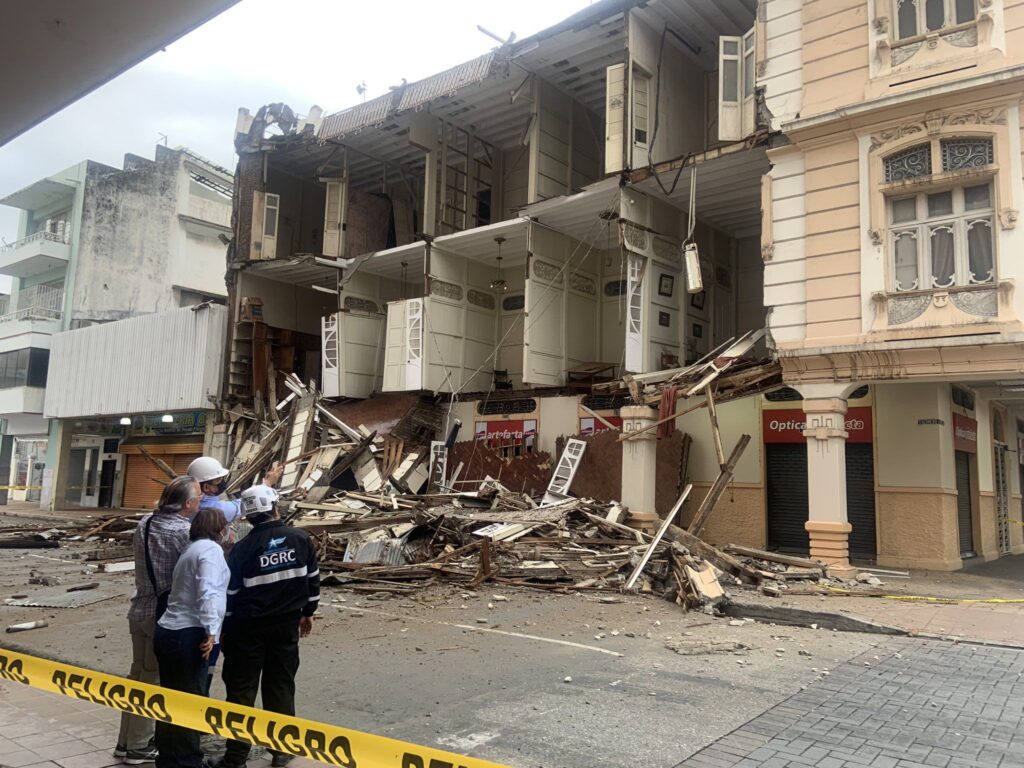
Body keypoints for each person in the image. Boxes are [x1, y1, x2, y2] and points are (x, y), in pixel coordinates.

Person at [209, 485, 320, 768]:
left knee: (241, 691)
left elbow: (230, 595)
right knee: (281, 685)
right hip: (286, 626)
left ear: (248, 517)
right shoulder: (300, 539)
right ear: (274, 508)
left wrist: (224, 626)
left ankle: (235, 758)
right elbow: (312, 580)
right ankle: (282, 751)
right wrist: (308, 612)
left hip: (246, 630)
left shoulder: (241, 550)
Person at [114, 476, 200, 765]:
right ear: (188, 503)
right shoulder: (183, 532)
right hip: (161, 616)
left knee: (137, 675)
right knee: (151, 681)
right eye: (198, 497)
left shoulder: (145, 523)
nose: (200, 501)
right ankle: (138, 747)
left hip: (139, 609)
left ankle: (125, 742)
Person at [186, 456, 282, 696]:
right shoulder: (214, 511)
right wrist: (267, 483)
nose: (223, 483)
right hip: (208, 615)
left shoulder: (195, 511)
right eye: (219, 480)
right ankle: (193, 718)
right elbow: (249, 506)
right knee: (204, 664)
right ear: (207, 486)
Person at [153, 507, 230, 768]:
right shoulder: (210, 550)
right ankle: (186, 762)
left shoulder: (191, 549)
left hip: (170, 630)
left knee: (171, 699)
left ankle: (169, 758)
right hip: (189, 633)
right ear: (220, 530)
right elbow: (207, 590)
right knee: (189, 702)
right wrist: (211, 630)